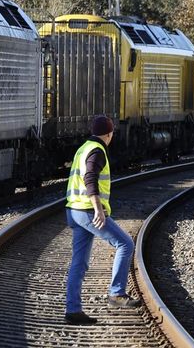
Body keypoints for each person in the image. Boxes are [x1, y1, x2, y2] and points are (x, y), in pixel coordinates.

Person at [63, 115, 142, 325]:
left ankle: (73, 310)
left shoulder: (84, 148)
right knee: (125, 244)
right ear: (109, 134)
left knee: (79, 262)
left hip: (74, 210)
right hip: (88, 210)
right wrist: (98, 209)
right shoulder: (97, 151)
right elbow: (90, 178)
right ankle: (117, 293)